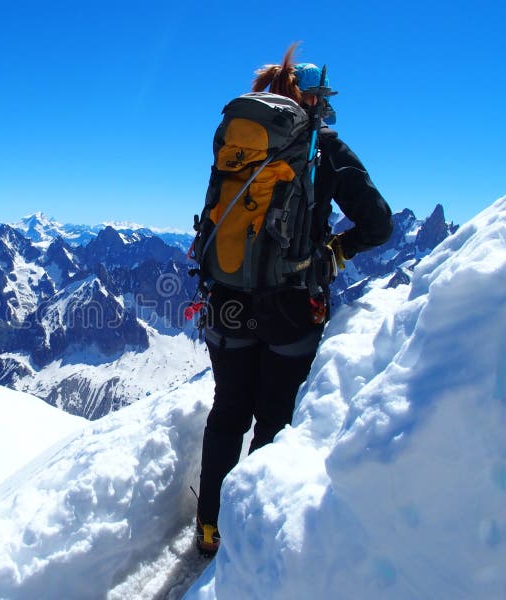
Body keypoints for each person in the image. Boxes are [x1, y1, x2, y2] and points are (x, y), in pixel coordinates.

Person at [195, 44, 393, 555]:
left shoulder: (239, 144)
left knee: (228, 412)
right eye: (322, 97)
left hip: (226, 300)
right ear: (313, 98)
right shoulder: (324, 147)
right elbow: (379, 223)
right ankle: (249, 541)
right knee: (274, 419)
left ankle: (209, 525)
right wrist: (336, 250)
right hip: (291, 307)